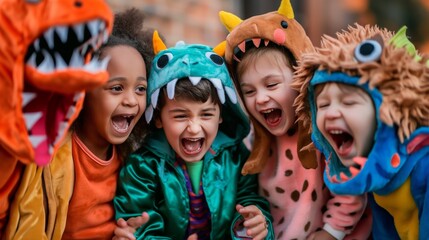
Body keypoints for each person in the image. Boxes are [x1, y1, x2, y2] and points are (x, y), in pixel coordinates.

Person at [218, 0, 372, 239]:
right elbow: (253, 196)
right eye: (249, 91)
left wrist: (331, 232)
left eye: (271, 85)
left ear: (300, 80)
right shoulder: (253, 141)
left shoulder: (322, 132)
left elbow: (350, 187)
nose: (260, 98)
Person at [4, 8, 154, 239]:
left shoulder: (133, 164)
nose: (131, 100)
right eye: (116, 88)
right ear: (83, 92)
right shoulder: (49, 156)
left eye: (140, 89)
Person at [113, 32, 275, 240]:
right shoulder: (142, 167)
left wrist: (254, 224)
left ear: (221, 116)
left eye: (206, 114)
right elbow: (139, 227)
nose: (194, 128)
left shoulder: (235, 157)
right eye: (181, 116)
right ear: (158, 119)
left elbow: (249, 201)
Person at [293, 24, 429, 239]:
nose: (331, 113)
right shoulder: (372, 169)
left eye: (348, 102)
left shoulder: (423, 166)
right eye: (323, 105)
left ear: (385, 110)